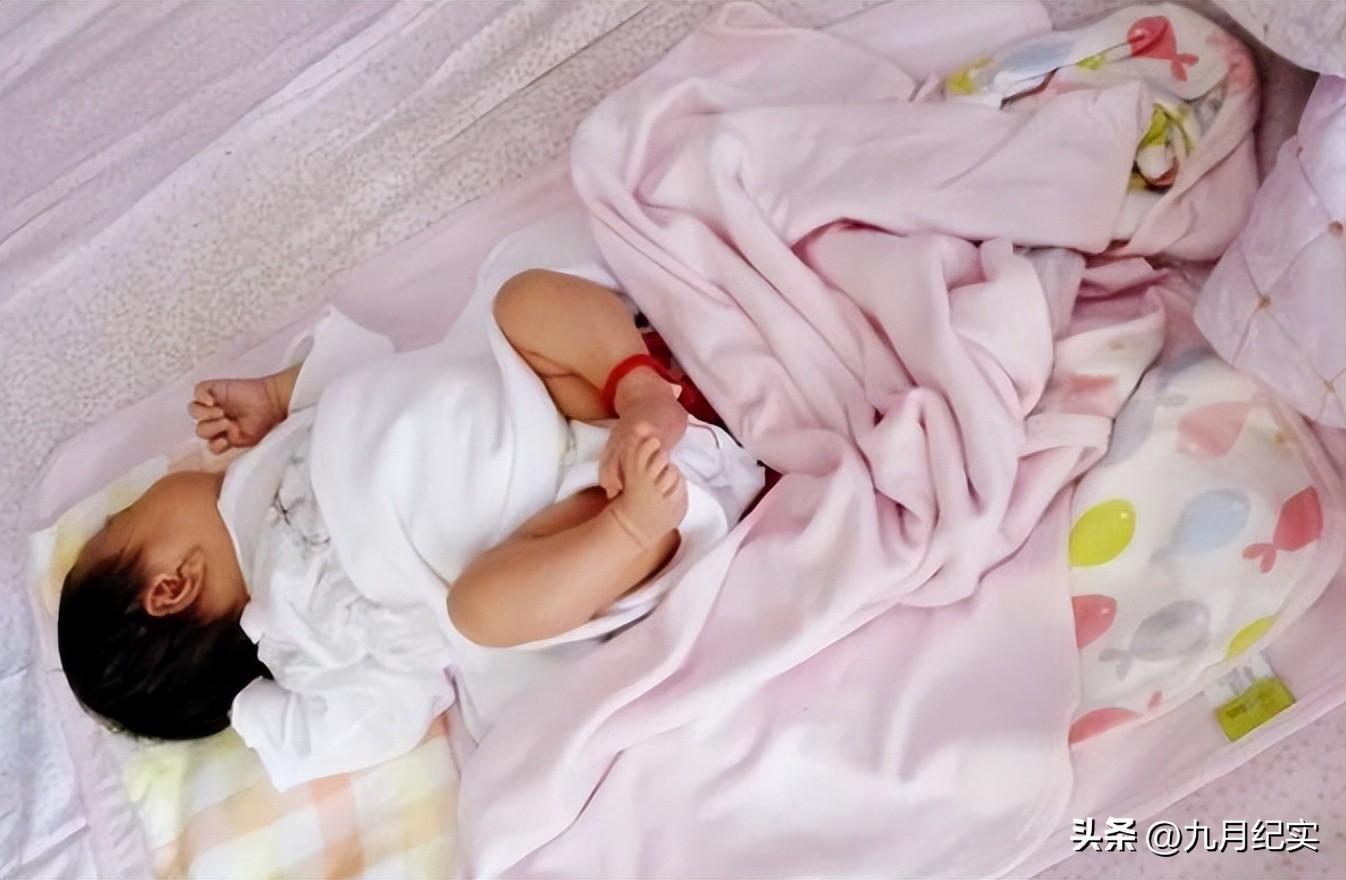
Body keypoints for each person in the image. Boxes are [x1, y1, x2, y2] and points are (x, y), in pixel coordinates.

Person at [57, 263, 763, 788]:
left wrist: (276, 397)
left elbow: (365, 377)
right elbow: (379, 717)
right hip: (572, 513)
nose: (137, 498)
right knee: (479, 610)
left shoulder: (260, 465)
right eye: (126, 518)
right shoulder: (298, 636)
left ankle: (642, 385)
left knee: (519, 300)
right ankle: (636, 531)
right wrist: (260, 717)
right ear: (170, 587)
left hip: (557, 401)